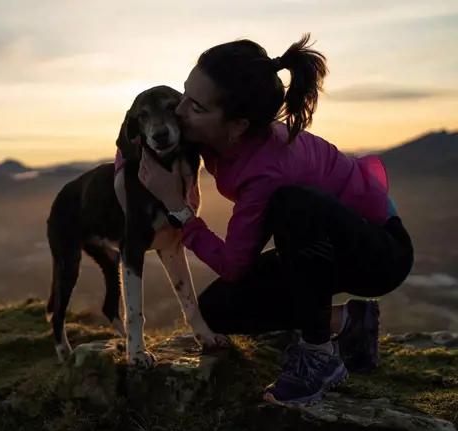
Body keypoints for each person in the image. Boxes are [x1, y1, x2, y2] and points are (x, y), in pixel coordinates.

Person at [136, 33, 414, 406]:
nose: (180, 111)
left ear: (237, 125)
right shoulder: (215, 133)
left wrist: (179, 209)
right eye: (184, 95)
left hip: (379, 252)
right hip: (316, 246)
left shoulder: (266, 168)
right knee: (216, 309)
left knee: (291, 204)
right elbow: (139, 144)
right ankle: (349, 322)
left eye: (196, 107)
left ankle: (319, 355)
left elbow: (234, 264)